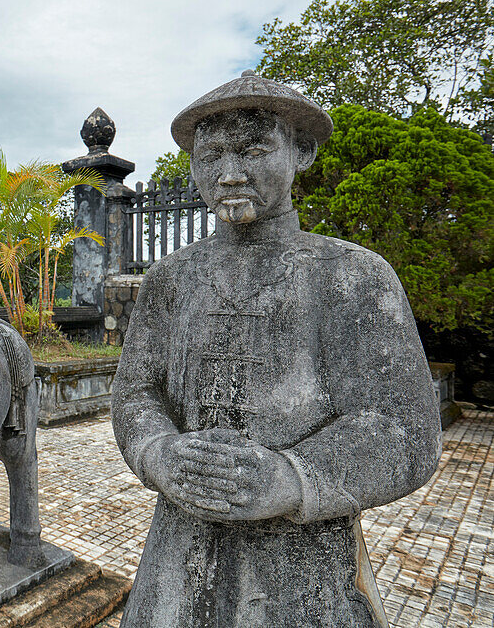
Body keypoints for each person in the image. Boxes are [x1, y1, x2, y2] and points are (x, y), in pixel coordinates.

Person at [111, 71, 441, 627]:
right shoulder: (171, 279)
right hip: (178, 551)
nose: (229, 173)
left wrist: (291, 477)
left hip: (306, 562)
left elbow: (405, 427)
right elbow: (138, 392)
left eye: (253, 150)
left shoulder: (352, 276)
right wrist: (158, 454)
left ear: (301, 152)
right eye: (210, 155)